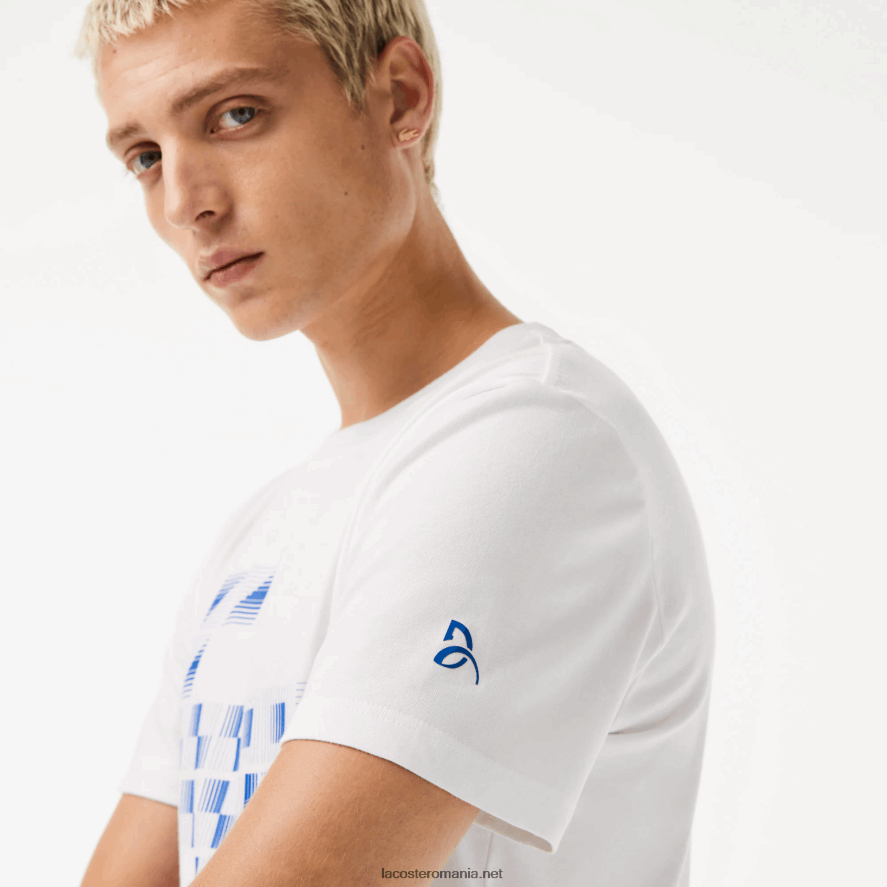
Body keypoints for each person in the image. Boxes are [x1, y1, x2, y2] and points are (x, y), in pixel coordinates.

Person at [75, 1, 716, 885]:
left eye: (235, 115)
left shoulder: (536, 443)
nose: (187, 203)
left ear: (400, 97)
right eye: (145, 157)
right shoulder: (266, 528)